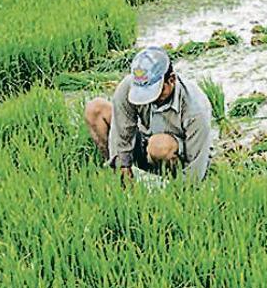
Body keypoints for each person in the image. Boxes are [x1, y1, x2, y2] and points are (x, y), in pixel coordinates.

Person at [84, 46, 212, 185]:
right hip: (144, 142)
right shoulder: (128, 87)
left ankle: (171, 180)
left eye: (155, 91)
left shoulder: (195, 108)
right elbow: (122, 132)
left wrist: (176, 197)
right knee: (95, 109)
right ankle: (118, 179)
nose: (150, 99)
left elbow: (195, 170)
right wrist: (123, 167)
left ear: (171, 80)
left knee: (159, 146)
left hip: (176, 154)